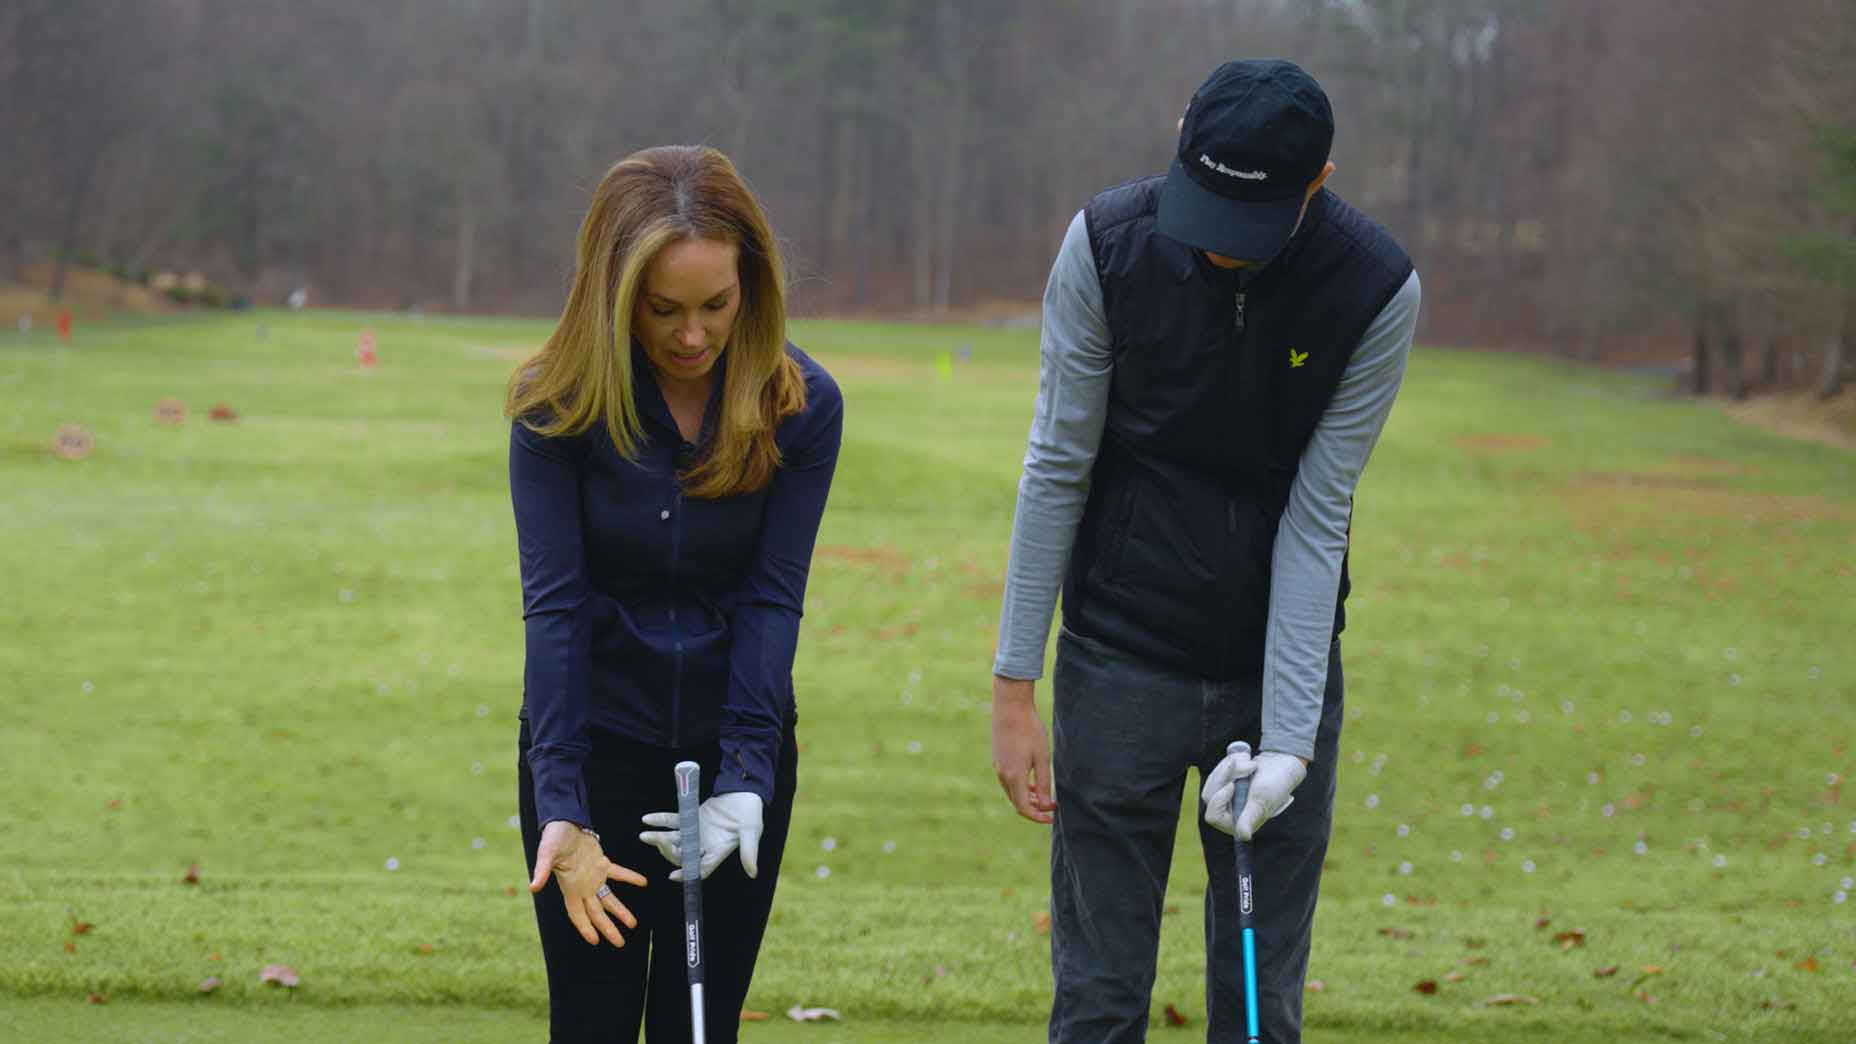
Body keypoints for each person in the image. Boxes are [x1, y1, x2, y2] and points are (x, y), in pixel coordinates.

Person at [990, 60, 1421, 1043]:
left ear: (1315, 183)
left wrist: (1287, 740)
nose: (1220, 252)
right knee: (1097, 999)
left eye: (1250, 225)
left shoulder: (1372, 289)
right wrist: (1014, 686)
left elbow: (1318, 515)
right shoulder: (1105, 246)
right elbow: (1056, 463)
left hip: (1275, 669)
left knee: (1258, 1003)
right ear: (1178, 135)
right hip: (1116, 657)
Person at [506, 145, 843, 1043]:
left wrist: (745, 779)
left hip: (734, 742)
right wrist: (564, 807)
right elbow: (556, 608)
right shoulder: (557, 406)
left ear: (753, 288)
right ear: (614, 295)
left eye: (716, 306)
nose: (693, 337)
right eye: (663, 310)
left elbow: (774, 598)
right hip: (596, 745)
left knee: (701, 1028)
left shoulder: (801, 403)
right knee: (593, 1022)